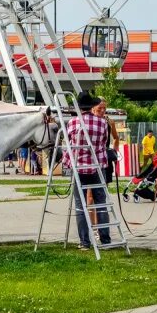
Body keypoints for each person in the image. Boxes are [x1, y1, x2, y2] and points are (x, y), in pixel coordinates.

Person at [64, 92, 111, 250]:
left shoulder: (72, 123)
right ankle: (105, 240)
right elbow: (104, 141)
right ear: (92, 106)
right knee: (100, 203)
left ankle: (84, 242)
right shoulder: (103, 123)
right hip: (97, 167)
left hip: (79, 168)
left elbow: (70, 144)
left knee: (80, 205)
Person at [87, 98, 120, 228]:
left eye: (104, 108)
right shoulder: (88, 121)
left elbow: (116, 137)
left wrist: (114, 151)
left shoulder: (108, 122)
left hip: (104, 161)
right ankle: (93, 226)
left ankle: (101, 227)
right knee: (90, 196)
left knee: (101, 195)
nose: (102, 111)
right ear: (92, 108)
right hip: (90, 161)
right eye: (99, 108)